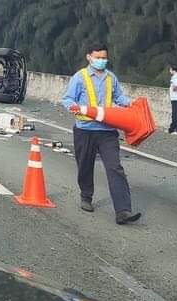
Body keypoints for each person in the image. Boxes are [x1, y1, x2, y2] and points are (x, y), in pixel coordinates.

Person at [61, 42, 142, 225]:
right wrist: (77, 111)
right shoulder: (80, 77)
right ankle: (86, 196)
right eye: (98, 57)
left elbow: (118, 97)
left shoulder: (111, 78)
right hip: (85, 130)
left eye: (104, 58)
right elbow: (67, 99)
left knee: (115, 167)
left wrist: (131, 103)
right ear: (89, 57)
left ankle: (123, 211)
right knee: (85, 165)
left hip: (107, 130)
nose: (101, 61)